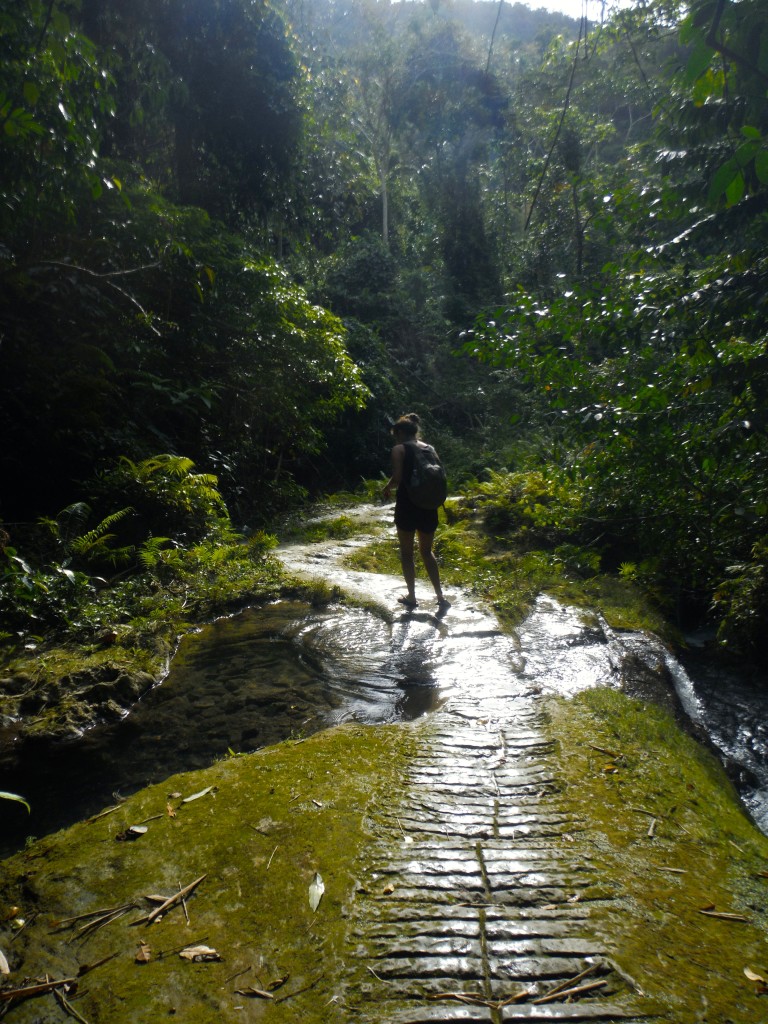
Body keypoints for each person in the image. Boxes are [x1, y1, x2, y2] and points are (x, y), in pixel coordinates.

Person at [382, 413, 450, 612]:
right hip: (429, 505)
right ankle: (440, 596)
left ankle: (412, 597)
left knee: (406, 552)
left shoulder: (399, 449)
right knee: (427, 551)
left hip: (408, 504)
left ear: (400, 433)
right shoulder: (430, 448)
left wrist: (387, 487)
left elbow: (397, 477)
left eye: (396, 435)